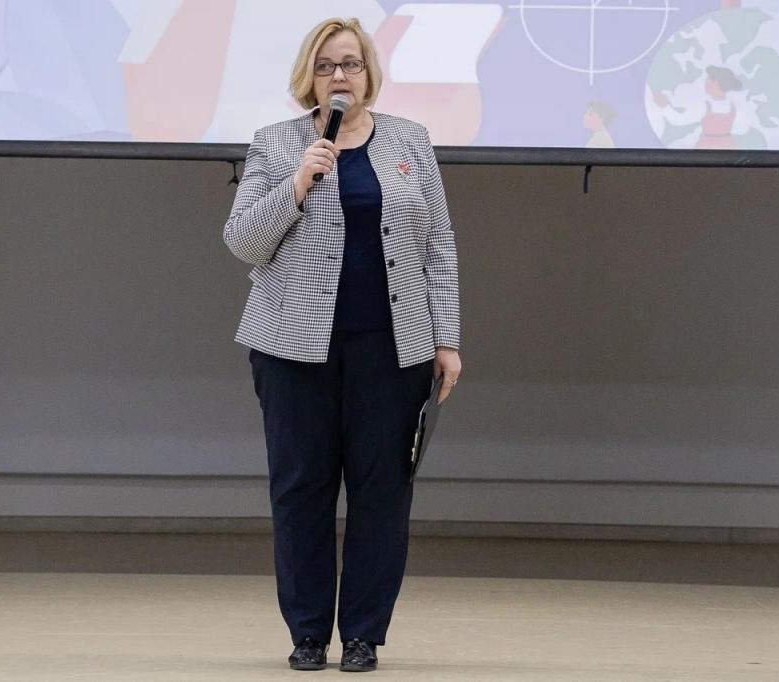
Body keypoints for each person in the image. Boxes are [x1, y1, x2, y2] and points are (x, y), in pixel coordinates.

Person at [222, 16, 462, 673]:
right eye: (326, 65)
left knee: (381, 493)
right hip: (293, 348)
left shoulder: (410, 140)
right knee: (301, 490)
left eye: (350, 64)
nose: (339, 76)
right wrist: (298, 183)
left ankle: (362, 635)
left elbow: (438, 244)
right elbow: (243, 242)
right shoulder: (276, 144)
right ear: (310, 75)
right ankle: (306, 633)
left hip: (393, 349)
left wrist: (447, 338)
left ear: (368, 73)